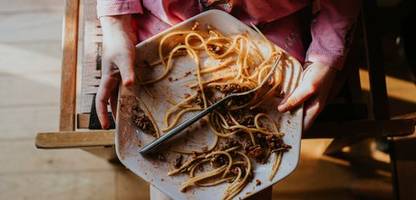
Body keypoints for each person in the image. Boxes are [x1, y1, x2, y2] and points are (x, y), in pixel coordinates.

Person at [95, 0, 360, 199]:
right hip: (161, 35)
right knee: (170, 178)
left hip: (270, 40)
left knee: (251, 176)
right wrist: (116, 26)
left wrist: (324, 61)